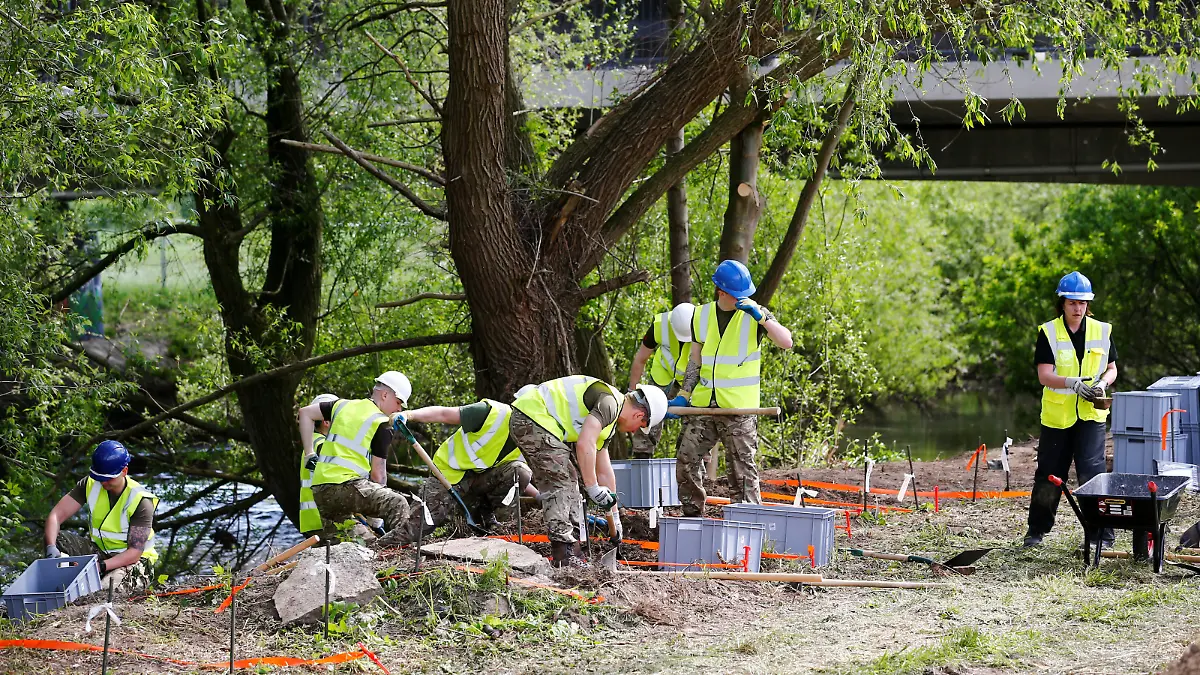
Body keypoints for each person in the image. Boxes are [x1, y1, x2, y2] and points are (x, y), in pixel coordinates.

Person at [671, 259, 793, 517]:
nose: (742, 299)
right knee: (686, 462)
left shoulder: (755, 314)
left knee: (742, 471)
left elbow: (786, 342)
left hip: (739, 409)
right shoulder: (701, 315)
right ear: (721, 292)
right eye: (737, 295)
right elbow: (695, 358)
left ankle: (747, 523)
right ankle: (693, 515)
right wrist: (684, 394)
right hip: (704, 406)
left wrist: (762, 319)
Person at [510, 377, 668, 567]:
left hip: (536, 421)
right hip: (532, 418)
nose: (635, 432)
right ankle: (564, 555)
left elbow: (604, 471)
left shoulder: (608, 421)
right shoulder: (609, 403)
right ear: (638, 415)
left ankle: (574, 549)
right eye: (641, 426)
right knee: (562, 481)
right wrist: (592, 487)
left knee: (570, 481)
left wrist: (615, 516)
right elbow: (585, 443)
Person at [1024, 271, 1118, 548]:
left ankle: (1101, 535)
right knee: (1049, 475)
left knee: (1093, 475)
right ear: (1062, 303)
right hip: (1057, 417)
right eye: (1072, 303)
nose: (1078, 308)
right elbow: (1044, 375)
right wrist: (1071, 383)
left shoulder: (1102, 331)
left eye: (1083, 303)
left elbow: (1112, 370)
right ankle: (1036, 532)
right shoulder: (1049, 332)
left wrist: (1101, 384)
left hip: (1091, 415)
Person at [379, 398, 539, 545]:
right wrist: (409, 415)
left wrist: (539, 496)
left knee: (522, 471)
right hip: (447, 476)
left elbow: (517, 476)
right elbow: (443, 414)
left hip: (478, 482)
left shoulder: (528, 441)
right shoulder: (491, 413)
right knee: (417, 529)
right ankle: (377, 548)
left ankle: (500, 527)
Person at [296, 372, 412, 538]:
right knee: (398, 503)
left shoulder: (341, 405)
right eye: (398, 402)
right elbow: (378, 476)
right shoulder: (383, 424)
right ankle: (401, 550)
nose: (399, 409)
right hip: (346, 486)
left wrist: (309, 453)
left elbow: (305, 413)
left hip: (321, 492)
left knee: (366, 542)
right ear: (385, 395)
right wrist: (376, 519)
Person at [44, 440, 158, 590]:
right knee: (59, 539)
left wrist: (100, 567)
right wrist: (51, 547)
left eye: (109, 478)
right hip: (99, 553)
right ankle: (61, 584)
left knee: (105, 591)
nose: (103, 483)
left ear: (124, 471)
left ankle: (96, 581)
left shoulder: (141, 501)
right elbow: (56, 516)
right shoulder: (90, 484)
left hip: (134, 562)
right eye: (99, 477)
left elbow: (134, 553)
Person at [626, 303, 695, 458]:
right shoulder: (660, 325)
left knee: (696, 420)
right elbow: (641, 359)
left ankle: (693, 464)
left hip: (691, 378)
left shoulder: (705, 325)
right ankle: (642, 457)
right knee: (646, 411)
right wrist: (631, 391)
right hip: (663, 375)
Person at [299, 393, 339, 536]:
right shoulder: (321, 444)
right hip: (322, 518)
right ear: (326, 421)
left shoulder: (311, 443)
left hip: (313, 520)